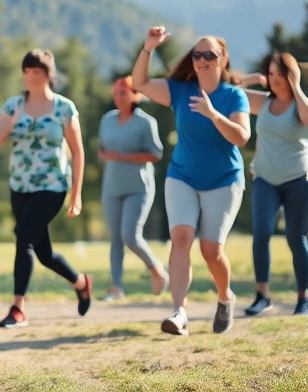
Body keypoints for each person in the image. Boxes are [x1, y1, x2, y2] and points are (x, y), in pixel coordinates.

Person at [132, 27, 250, 336]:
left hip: (224, 180)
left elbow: (241, 137)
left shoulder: (234, 95)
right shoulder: (180, 90)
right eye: (197, 54)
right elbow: (140, 83)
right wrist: (148, 48)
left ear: (222, 60)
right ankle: (180, 312)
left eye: (209, 54)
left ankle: (225, 297)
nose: (201, 60)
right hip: (182, 176)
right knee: (181, 237)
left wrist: (213, 114)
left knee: (211, 251)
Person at [0, 49, 93, 328]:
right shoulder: (12, 106)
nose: (31, 77)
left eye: (37, 72)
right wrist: (10, 121)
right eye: (27, 72)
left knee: (24, 237)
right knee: (42, 252)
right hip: (20, 185)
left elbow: (77, 152)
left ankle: (17, 308)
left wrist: (76, 194)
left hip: (52, 185)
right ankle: (81, 282)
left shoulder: (64, 107)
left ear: (49, 74)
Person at [238, 53, 308, 316]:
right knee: (262, 233)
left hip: (298, 181)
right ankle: (262, 296)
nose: (273, 78)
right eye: (270, 73)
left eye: (279, 73)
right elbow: (229, 93)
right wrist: (251, 79)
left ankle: (304, 298)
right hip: (265, 179)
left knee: (295, 237)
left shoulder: (301, 105)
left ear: (290, 75)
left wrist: (297, 86)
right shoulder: (263, 102)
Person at [97, 76, 168, 301]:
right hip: (111, 187)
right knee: (116, 239)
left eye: (123, 93)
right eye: (116, 93)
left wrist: (121, 156)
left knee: (130, 235)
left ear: (135, 95)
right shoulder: (107, 120)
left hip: (138, 188)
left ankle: (156, 269)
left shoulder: (146, 122)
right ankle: (116, 287)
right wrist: (106, 156)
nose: (118, 97)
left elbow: (155, 154)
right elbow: (102, 149)